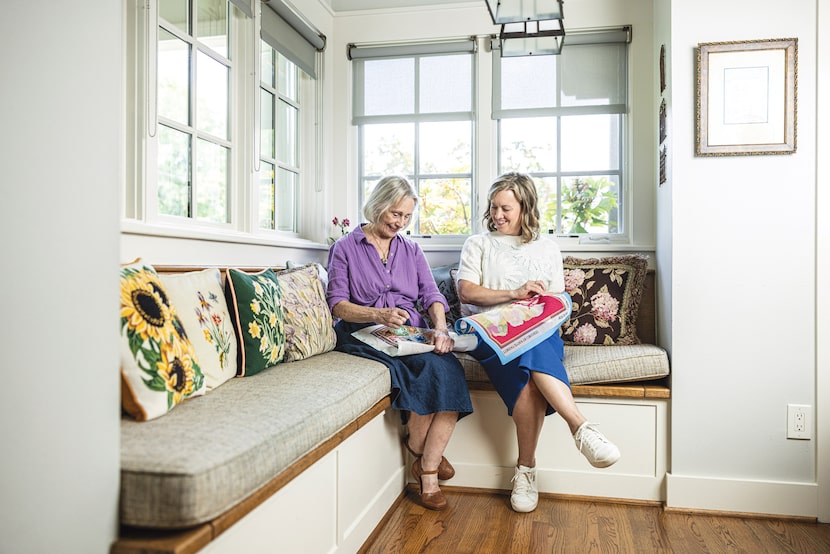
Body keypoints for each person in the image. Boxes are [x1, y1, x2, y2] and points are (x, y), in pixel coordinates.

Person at [456, 172, 621, 513]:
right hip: (491, 333)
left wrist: (535, 308)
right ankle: (580, 428)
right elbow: (467, 291)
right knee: (526, 348)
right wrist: (514, 295)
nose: (497, 215)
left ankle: (527, 470)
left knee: (532, 348)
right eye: (493, 207)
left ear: (525, 208)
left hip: (539, 333)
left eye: (506, 209)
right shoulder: (479, 244)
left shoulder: (547, 247)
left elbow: (557, 300)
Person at [326, 175, 472, 511]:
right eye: (395, 214)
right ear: (377, 205)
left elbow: (431, 294)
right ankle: (430, 471)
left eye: (407, 217)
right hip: (363, 332)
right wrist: (377, 315)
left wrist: (439, 329)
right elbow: (337, 304)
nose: (400, 222)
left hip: (409, 333)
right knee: (421, 371)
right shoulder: (345, 248)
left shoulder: (411, 249)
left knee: (448, 367)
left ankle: (423, 457)